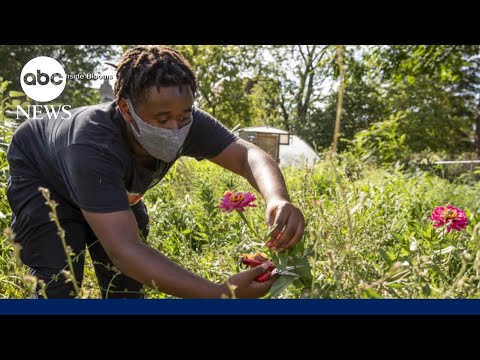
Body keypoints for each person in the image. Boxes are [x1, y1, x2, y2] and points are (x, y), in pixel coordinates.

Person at [6, 45, 305, 299]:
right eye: (161, 120)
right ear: (125, 109)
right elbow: (124, 250)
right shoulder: (91, 144)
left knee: (126, 290)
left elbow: (247, 156)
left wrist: (277, 198)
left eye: (183, 116)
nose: (175, 129)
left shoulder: (185, 121)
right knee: (59, 283)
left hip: (106, 188)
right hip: (44, 179)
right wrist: (220, 294)